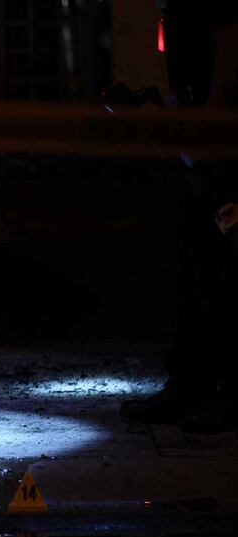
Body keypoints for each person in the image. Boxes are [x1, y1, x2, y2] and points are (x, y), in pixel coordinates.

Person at [119, 0, 238, 433]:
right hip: (201, 124)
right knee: (197, 259)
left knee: (219, 264)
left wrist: (210, 124)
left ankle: (221, 392)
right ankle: (191, 385)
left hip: (218, 136)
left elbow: (229, 40)